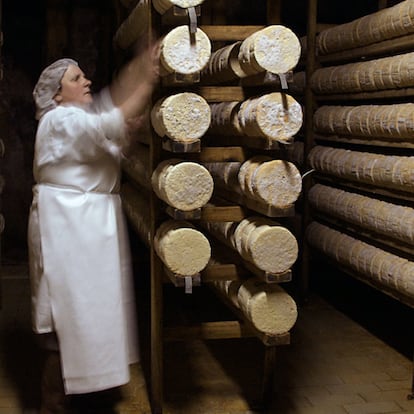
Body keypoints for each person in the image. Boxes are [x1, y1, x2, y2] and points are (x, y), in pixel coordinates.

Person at [28, 39, 159, 414]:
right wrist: (146, 79)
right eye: (76, 77)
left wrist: (127, 127)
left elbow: (108, 139)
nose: (86, 81)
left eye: (84, 75)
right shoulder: (59, 119)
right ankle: (52, 404)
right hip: (66, 226)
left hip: (84, 225)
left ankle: (85, 395)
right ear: (56, 95)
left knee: (86, 311)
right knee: (64, 313)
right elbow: (110, 119)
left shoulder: (75, 122)